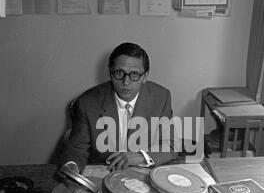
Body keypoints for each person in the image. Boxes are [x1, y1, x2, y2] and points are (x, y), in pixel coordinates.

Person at [59, 42, 177, 174]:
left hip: (143, 172)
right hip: (103, 171)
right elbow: (76, 149)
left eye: (134, 74)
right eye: (119, 73)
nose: (126, 82)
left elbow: (170, 145)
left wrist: (140, 156)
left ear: (145, 77)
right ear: (110, 72)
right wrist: (72, 167)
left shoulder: (161, 97)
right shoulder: (87, 102)